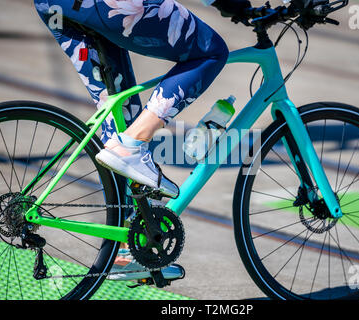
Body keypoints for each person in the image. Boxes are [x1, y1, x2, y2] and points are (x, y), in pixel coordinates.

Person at [34, 0, 251, 281]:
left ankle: (127, 250)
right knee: (211, 51)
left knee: (120, 114)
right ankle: (133, 144)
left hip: (55, 6)